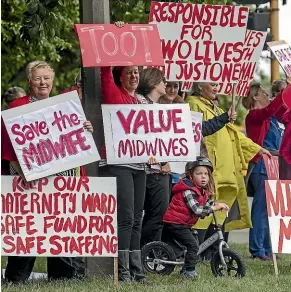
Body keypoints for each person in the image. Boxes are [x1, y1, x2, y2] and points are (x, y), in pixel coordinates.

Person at [1, 60, 93, 283]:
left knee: (59, 222)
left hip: (61, 178)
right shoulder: (18, 106)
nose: (43, 82)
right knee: (28, 225)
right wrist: (20, 172)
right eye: (38, 78)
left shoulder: (64, 106)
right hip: (27, 177)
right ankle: (16, 276)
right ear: (29, 81)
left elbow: (73, 140)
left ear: (52, 81)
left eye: (47, 78)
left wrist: (86, 128)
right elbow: (6, 142)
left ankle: (62, 276)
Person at [98, 21, 156, 283]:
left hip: (139, 164)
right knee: (125, 217)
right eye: (128, 72)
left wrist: (155, 151)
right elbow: (105, 69)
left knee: (137, 217)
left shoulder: (142, 101)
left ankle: (136, 269)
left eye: (136, 72)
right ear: (121, 76)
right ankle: (122, 271)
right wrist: (116, 34)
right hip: (117, 162)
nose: (133, 76)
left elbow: (153, 133)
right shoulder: (114, 94)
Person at [185, 83, 271, 243]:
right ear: (199, 86)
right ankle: (196, 252)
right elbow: (197, 131)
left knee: (219, 214)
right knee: (205, 213)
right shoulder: (193, 103)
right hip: (211, 169)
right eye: (212, 84)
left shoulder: (215, 108)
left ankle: (211, 252)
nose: (216, 87)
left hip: (227, 172)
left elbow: (235, 135)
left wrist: (257, 149)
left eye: (217, 84)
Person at [163, 157, 229, 278]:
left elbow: (205, 204)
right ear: (191, 176)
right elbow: (197, 210)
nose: (203, 177)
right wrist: (213, 208)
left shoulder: (201, 190)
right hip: (175, 223)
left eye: (206, 174)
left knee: (194, 242)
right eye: (199, 173)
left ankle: (185, 266)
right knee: (193, 245)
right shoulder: (188, 190)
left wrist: (216, 205)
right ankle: (189, 271)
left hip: (184, 223)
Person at [242, 83, 288, 260]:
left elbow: (283, 109)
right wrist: (285, 90)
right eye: (263, 92)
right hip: (262, 164)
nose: (267, 94)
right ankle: (257, 249)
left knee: (273, 208)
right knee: (261, 208)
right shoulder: (255, 116)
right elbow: (270, 109)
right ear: (254, 97)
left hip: (276, 163)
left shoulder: (273, 119)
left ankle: (269, 247)